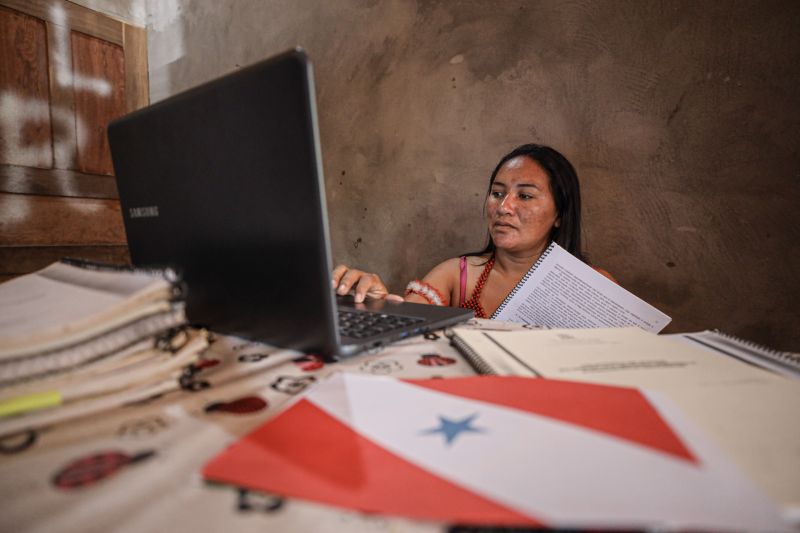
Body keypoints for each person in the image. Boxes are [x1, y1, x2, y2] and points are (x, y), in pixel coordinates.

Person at [332, 143, 614, 318]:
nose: (504, 207)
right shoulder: (456, 274)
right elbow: (407, 324)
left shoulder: (593, 285)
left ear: (560, 216)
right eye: (496, 193)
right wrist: (376, 307)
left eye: (525, 196)